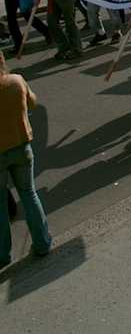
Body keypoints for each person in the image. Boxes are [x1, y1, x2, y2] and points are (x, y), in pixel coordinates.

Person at [0, 51, 51, 268]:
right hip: (21, 146)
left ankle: (3, 254)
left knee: (0, 204)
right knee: (29, 193)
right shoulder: (16, 81)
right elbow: (32, 103)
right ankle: (42, 242)